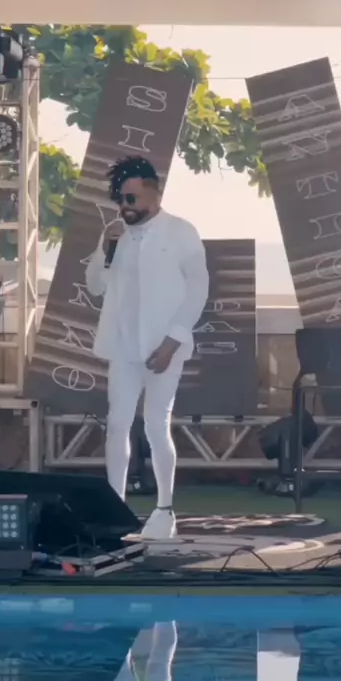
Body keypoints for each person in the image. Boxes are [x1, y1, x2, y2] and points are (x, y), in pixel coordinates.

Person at [85, 156, 209, 539]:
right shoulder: (115, 235)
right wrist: (106, 250)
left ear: (154, 194)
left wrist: (173, 341)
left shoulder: (181, 232)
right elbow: (94, 286)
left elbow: (198, 289)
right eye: (120, 199)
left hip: (163, 347)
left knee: (157, 424)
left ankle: (164, 510)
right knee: (117, 425)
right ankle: (116, 509)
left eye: (131, 198)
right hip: (123, 346)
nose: (125, 207)